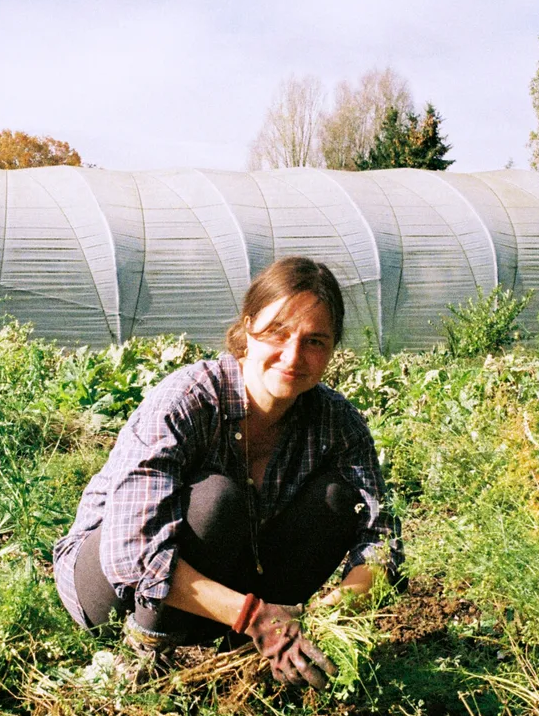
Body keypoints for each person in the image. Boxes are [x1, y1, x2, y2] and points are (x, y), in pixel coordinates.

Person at [52, 256, 402, 688]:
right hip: (111, 589)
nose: (293, 356)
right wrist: (253, 616)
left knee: (338, 498)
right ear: (249, 327)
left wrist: (325, 615)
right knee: (219, 496)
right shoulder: (187, 399)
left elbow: (380, 537)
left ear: (332, 351)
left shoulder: (336, 421)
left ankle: (262, 647)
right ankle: (146, 649)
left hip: (226, 597)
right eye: (278, 331)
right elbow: (131, 550)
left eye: (315, 341)